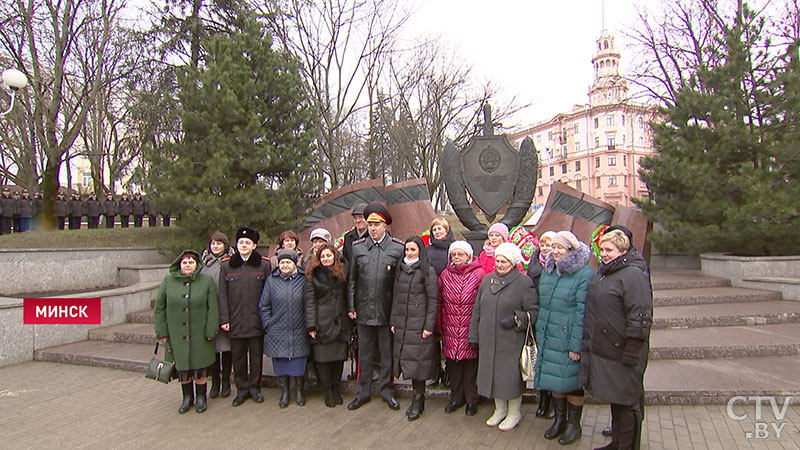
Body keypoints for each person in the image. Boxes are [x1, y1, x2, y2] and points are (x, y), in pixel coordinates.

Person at [580, 230, 652, 450]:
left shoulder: (633, 275)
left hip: (625, 351)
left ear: (622, 250)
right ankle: (618, 443)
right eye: (602, 250)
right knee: (616, 398)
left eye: (609, 250)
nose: (604, 254)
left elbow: (640, 314)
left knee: (628, 403)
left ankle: (628, 446)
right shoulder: (606, 273)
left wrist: (632, 348)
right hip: (608, 348)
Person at [469, 242, 538, 431]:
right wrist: (473, 334)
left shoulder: (523, 282)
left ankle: (514, 412)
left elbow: (533, 311)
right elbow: (478, 309)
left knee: (509, 377)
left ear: (513, 262)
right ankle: (499, 410)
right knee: (492, 375)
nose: (499, 264)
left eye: (504, 261)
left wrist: (517, 318)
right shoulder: (487, 280)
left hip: (510, 340)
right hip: (488, 339)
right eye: (497, 260)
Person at [535, 231, 595, 445]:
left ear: (571, 250)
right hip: (549, 333)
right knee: (554, 379)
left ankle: (573, 424)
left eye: (561, 247)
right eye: (554, 247)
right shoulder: (549, 270)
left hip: (568, 335)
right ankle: (559, 420)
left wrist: (575, 345)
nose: (556, 251)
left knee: (571, 383)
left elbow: (582, 312)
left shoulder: (584, 274)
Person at [346, 202, 405, 411]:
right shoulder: (358, 248)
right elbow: (352, 280)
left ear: (385, 226)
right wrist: (351, 306)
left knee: (386, 354)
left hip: (386, 311)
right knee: (364, 354)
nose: (372, 228)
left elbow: (399, 285)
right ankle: (362, 393)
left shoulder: (397, 248)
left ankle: (387, 391)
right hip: (363, 311)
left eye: (377, 224)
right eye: (370, 224)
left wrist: (396, 314)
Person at [153, 250, 219, 414]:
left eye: (191, 262)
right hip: (176, 333)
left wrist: (211, 329)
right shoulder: (168, 281)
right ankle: (187, 397)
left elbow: (213, 308)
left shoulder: (206, 281)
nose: (188, 265)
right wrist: (161, 330)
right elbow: (159, 307)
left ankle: (201, 397)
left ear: (197, 264)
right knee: (183, 368)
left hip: (200, 333)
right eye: (185, 262)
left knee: (200, 366)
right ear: (179, 264)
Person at [218, 227, 271, 407]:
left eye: (248, 243)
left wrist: (267, 318)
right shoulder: (226, 265)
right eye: (241, 242)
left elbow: (268, 293)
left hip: (256, 320)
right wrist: (224, 319)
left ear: (254, 245)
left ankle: (255, 387)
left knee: (256, 357)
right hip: (235, 321)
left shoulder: (264, 265)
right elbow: (222, 295)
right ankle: (241, 388)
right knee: (238, 357)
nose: (244, 245)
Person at [390, 236, 438, 421]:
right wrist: (394, 320)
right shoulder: (401, 270)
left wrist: (428, 326)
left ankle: (418, 399)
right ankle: (416, 399)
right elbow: (396, 296)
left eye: (413, 250)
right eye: (407, 250)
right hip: (403, 323)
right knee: (408, 361)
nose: (409, 253)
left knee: (419, 363)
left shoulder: (427, 271)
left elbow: (433, 300)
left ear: (420, 251)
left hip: (419, 325)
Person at [438, 240, 486, 416]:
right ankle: (456, 398)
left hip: (470, 327)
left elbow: (482, 303)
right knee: (454, 365)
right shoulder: (445, 274)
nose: (457, 257)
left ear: (469, 255)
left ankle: (472, 400)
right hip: (450, 327)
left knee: (470, 366)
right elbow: (440, 300)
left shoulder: (479, 274)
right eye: (454, 254)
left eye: (461, 254)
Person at [259, 248, 309, 408]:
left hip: (299, 328)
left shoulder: (304, 279)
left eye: (288, 262)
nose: (285, 265)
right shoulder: (271, 280)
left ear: (295, 263)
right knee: (280, 364)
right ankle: (285, 392)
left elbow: (310, 302)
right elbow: (264, 305)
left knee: (299, 362)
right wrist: (268, 323)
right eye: (282, 262)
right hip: (277, 329)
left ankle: (299, 391)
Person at [304, 243, 351, 407]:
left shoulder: (342, 273)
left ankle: (336, 387)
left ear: (334, 257)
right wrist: (311, 325)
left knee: (338, 359)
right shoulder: (312, 275)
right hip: (321, 322)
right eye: (323, 256)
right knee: (323, 360)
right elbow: (309, 302)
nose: (325, 259)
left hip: (340, 320)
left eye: (329, 256)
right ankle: (328, 391)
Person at [199, 231, 235, 399]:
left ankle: (226, 381)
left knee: (227, 350)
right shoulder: (204, 264)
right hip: (210, 312)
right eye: (213, 243)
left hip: (227, 311)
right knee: (213, 351)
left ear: (225, 245)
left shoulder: (232, 262)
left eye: (219, 243)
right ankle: (215, 383)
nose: (215, 246)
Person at [526, 230, 557, 419]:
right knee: (540, 361)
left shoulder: (559, 266)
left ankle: (553, 400)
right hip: (539, 317)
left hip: (553, 318)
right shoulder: (534, 263)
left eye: (550, 245)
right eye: (543, 245)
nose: (546, 249)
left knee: (552, 362)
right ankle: (543, 398)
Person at [426, 217, 455, 388]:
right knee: (433, 338)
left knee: (449, 337)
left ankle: (450, 371)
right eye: (435, 229)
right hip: (432, 298)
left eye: (440, 229)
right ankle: (436, 370)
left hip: (450, 299)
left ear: (447, 230)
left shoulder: (454, 249)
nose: (437, 232)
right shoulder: (427, 250)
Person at [342, 202, 368, 268]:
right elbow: (345, 260)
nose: (358, 221)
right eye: (355, 218)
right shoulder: (348, 237)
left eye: (361, 217)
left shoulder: (374, 235)